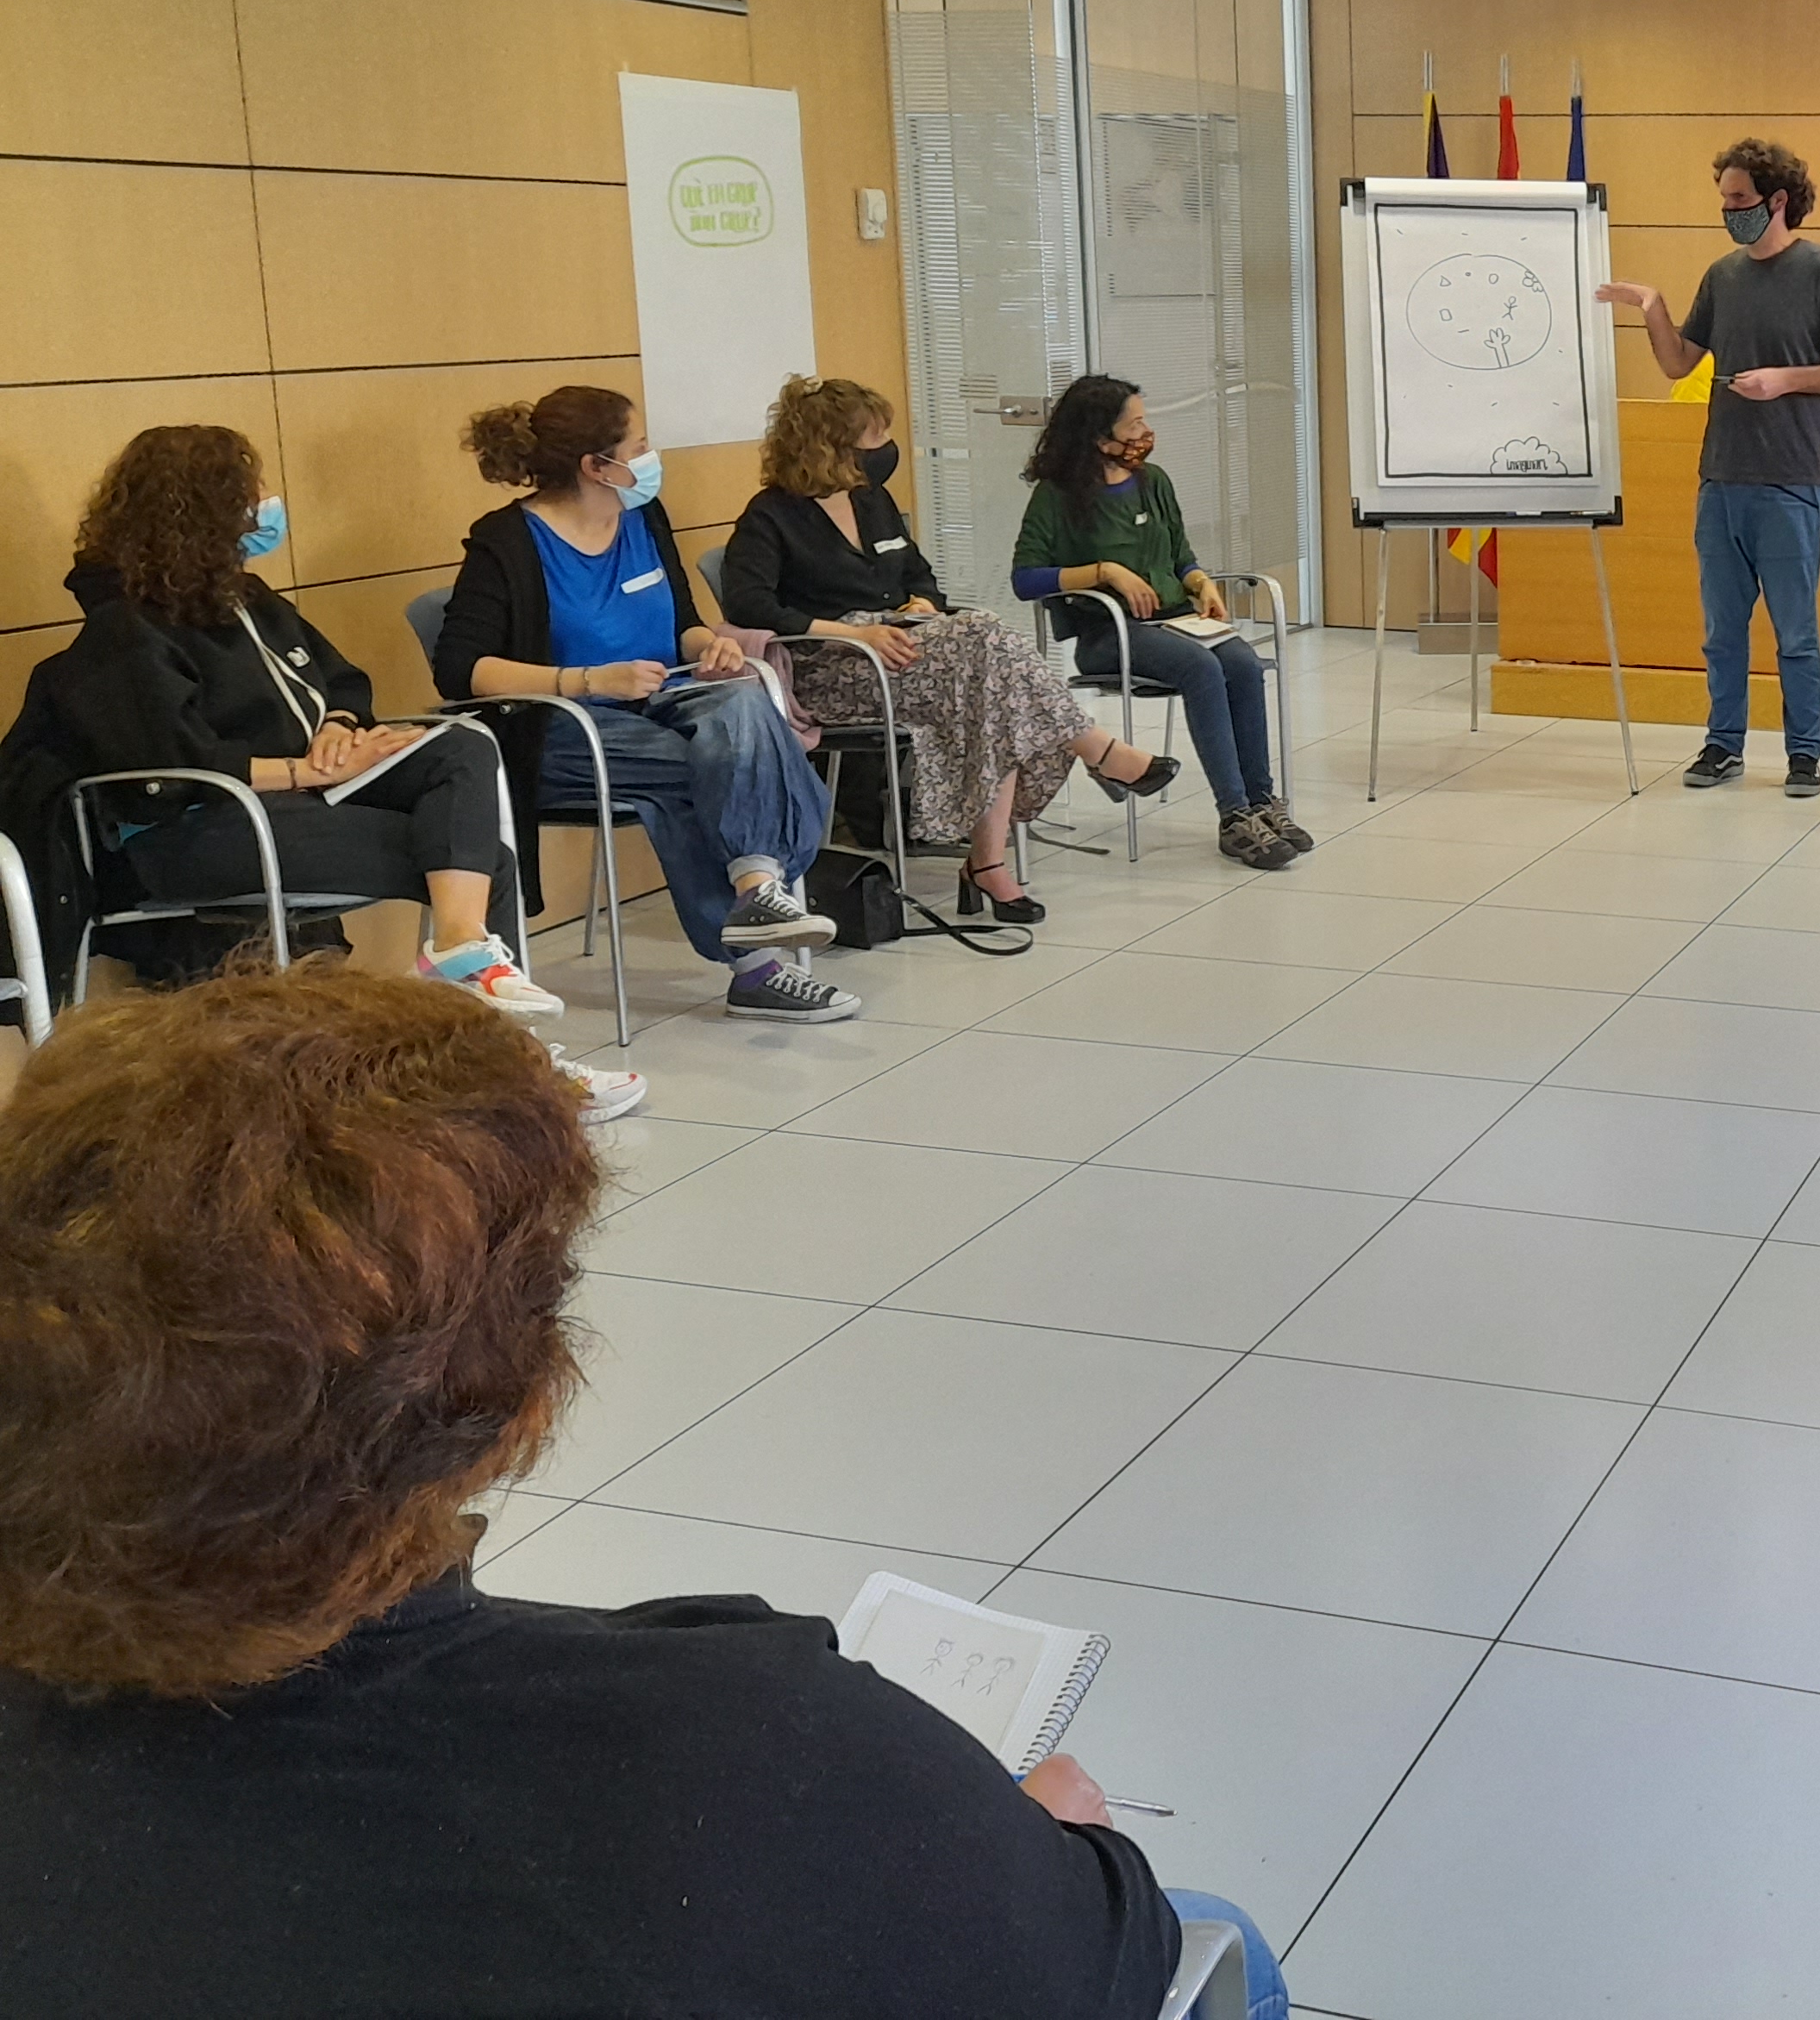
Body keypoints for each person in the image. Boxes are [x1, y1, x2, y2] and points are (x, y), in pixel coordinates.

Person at [0, 962, 1289, 2020]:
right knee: (1218, 1941)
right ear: (509, 1398)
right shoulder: (755, 1754)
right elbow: (1103, 1959)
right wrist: (1026, 1846)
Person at [15, 425, 640, 1123]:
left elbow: (338, 680)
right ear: (206, 508)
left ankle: (463, 950)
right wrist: (301, 769)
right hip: (196, 831)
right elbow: (172, 767)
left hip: (299, 799)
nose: (267, 508)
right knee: (481, 858)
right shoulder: (125, 629)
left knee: (462, 746)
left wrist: (341, 731)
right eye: (252, 496)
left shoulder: (249, 598)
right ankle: (513, 1067)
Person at [434, 386, 859, 1025]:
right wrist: (587, 679)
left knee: (742, 704)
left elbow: (683, 623)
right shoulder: (506, 543)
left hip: (666, 698)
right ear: (596, 467)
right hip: (561, 727)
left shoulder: (644, 519)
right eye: (639, 447)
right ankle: (757, 962)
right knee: (706, 770)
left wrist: (711, 646)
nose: (652, 457)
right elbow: (461, 669)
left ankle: (756, 887)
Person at [725, 376, 1186, 922]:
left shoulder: (872, 501)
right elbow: (748, 606)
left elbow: (920, 573)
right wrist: (853, 632)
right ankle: (1094, 755)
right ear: (832, 446)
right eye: (876, 439)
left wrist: (922, 601)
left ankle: (990, 864)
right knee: (988, 641)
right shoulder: (771, 515)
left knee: (995, 690)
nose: (886, 450)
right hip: (831, 665)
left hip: (906, 650)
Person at [1598, 136, 1820, 799]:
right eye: (1724, 199)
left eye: (1740, 199)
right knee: (1722, 632)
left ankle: (1804, 754)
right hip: (1721, 480)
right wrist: (1653, 307)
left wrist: (1784, 380)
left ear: (1777, 200)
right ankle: (1724, 744)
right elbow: (1677, 363)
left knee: (1795, 633)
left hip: (1788, 480)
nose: (1729, 210)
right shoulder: (1723, 276)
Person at [1010, 375, 1305, 873]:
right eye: (1136, 423)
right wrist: (1105, 572)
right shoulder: (1056, 496)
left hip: (1177, 620)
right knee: (1202, 670)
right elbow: (1026, 579)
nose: (1146, 431)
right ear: (1099, 436)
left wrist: (1199, 582)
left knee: (1242, 663)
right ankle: (1233, 814)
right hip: (1111, 635)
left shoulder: (1154, 482)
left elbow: (1180, 553)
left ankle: (1262, 801)